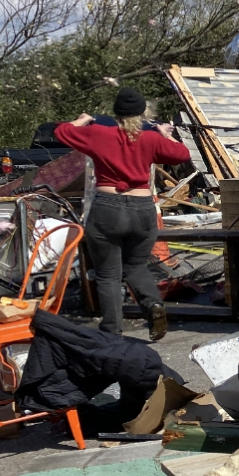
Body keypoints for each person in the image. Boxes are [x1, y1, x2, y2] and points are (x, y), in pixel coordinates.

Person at [54, 87, 190, 339]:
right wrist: (164, 134)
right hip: (142, 209)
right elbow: (182, 154)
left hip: (107, 207)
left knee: (108, 274)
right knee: (137, 267)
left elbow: (61, 132)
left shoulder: (97, 134)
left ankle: (112, 332)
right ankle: (153, 304)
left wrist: (82, 120)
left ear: (115, 113)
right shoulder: (151, 139)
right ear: (142, 113)